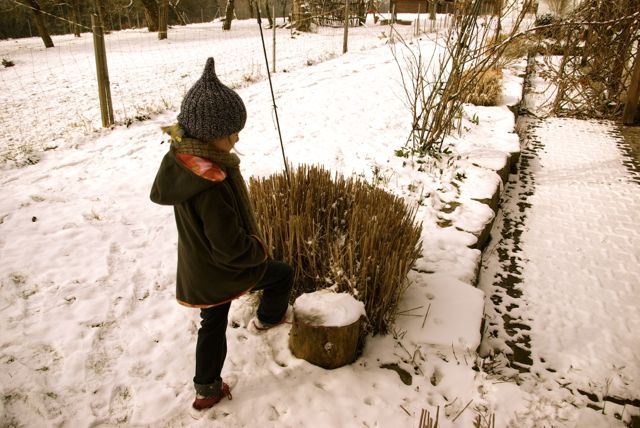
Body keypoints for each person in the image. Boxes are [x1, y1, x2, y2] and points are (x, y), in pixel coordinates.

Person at [150, 57, 293, 411]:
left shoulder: (183, 162)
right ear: (212, 135)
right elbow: (229, 246)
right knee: (281, 274)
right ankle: (269, 319)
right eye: (233, 132)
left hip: (201, 267)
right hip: (223, 268)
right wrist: (257, 250)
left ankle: (206, 388)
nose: (237, 138)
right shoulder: (210, 183)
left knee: (212, 323)